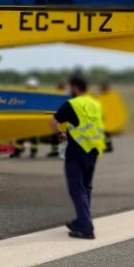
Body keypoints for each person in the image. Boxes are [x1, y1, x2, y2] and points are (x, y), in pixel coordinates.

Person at [50, 74, 105, 240]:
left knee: (76, 189)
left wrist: (60, 135)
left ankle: (86, 228)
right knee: (86, 187)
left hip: (76, 152)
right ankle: (81, 221)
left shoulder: (71, 104)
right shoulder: (95, 104)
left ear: (74, 87)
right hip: (93, 150)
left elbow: (53, 122)